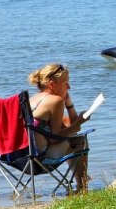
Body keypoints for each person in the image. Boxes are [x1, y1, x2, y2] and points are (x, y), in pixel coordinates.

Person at [27, 63, 90, 191]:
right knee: (80, 140)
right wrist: (79, 122)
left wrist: (69, 104)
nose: (69, 87)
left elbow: (69, 126)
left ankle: (83, 181)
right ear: (52, 85)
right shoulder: (55, 101)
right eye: (65, 83)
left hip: (21, 157)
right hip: (41, 159)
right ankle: (82, 186)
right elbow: (55, 138)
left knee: (73, 137)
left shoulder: (31, 100)